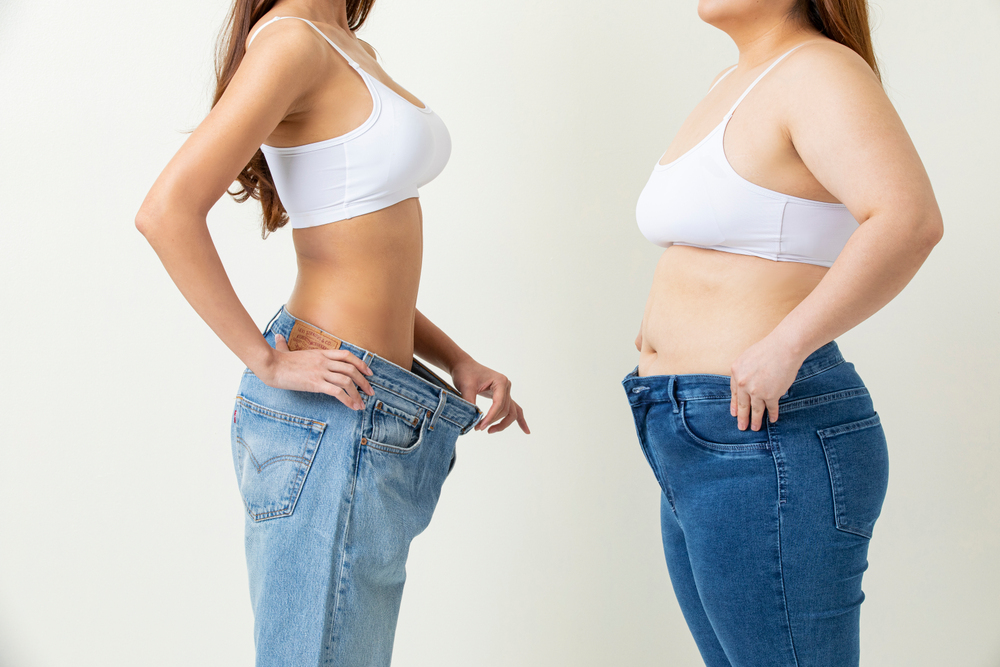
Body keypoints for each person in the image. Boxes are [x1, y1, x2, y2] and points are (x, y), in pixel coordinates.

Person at [135, 1, 529, 664]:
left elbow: (365, 261)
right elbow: (165, 211)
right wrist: (267, 360)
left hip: (378, 397)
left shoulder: (343, 42)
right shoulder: (291, 43)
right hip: (330, 409)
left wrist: (455, 359)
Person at [624, 0, 942, 664]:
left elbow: (908, 219)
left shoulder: (819, 71)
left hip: (768, 428)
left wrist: (787, 342)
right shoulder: (731, 81)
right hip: (689, 424)